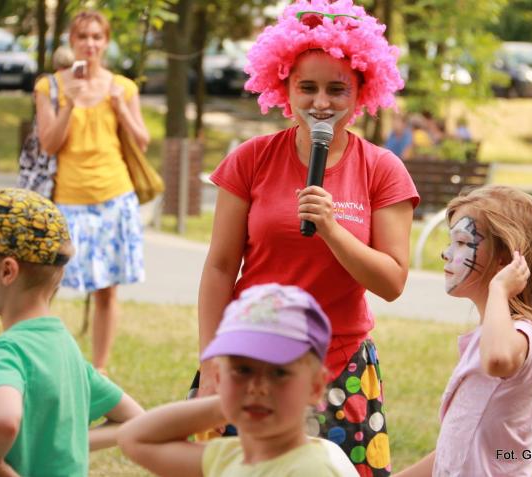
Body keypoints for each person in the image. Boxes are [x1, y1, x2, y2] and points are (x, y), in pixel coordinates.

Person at [196, 1, 418, 475]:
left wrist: (332, 229)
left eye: (337, 89)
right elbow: (219, 267)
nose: (321, 102)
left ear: (362, 92)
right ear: (284, 88)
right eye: (307, 87)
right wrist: (212, 360)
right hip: (248, 354)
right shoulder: (250, 159)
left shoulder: (382, 169)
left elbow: (393, 281)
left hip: (339, 364)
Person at [0, 188, 143, 477]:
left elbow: (4, 421)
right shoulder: (66, 349)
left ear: (8, 271)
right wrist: (59, 445)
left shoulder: (6, 351)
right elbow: (132, 419)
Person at [393, 185, 532, 477]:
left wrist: (499, 288)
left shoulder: (522, 335)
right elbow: (455, 448)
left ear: (504, 260)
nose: (445, 254)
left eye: (461, 242)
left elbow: (497, 360)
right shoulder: (486, 336)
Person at [119, 283, 358, 477]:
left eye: (279, 373)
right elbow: (134, 438)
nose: (257, 388)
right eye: (242, 370)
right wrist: (229, 400)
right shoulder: (227, 457)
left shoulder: (309, 470)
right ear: (219, 377)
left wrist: (235, 396)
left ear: (315, 387)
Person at [34, 10, 150, 373]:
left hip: (114, 196)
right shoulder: (49, 87)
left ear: (106, 41)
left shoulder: (124, 87)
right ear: (72, 41)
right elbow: (48, 145)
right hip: (69, 200)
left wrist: (119, 105)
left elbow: (142, 141)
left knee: (107, 291)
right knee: (45, 285)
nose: (90, 43)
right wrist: (71, 101)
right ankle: (43, 358)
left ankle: (98, 370)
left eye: (97, 37)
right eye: (83, 36)